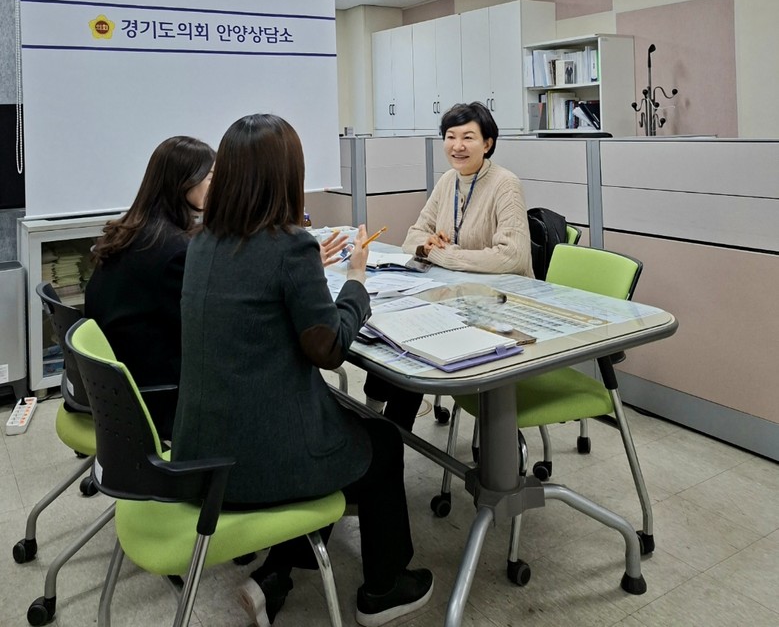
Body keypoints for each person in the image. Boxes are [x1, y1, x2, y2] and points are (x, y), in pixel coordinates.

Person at [171, 114, 433, 627]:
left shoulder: (203, 241)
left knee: (338, 422)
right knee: (381, 441)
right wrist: (355, 280)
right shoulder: (288, 246)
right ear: (286, 176)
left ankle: (276, 574)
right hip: (256, 460)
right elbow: (328, 348)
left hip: (202, 453)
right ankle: (383, 590)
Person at [364, 101, 533, 429]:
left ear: (487, 144)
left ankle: (391, 438)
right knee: (392, 332)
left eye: (468, 137)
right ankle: (373, 417)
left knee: (416, 345)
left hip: (499, 306)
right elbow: (413, 237)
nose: (457, 146)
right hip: (455, 299)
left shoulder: (505, 184)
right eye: (450, 136)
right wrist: (425, 245)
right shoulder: (448, 181)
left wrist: (443, 254)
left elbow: (512, 256)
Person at [85, 135, 216, 436]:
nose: (218, 185)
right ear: (183, 182)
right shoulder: (173, 250)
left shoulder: (134, 229)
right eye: (211, 177)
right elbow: (201, 331)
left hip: (114, 383)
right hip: (154, 397)